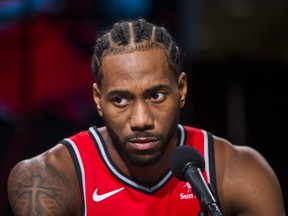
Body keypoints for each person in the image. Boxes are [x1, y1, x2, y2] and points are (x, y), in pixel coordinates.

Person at [7, 18, 285, 216]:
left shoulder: (239, 171)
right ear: (98, 101)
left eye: (156, 96)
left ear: (182, 89)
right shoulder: (46, 179)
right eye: (120, 100)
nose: (141, 120)